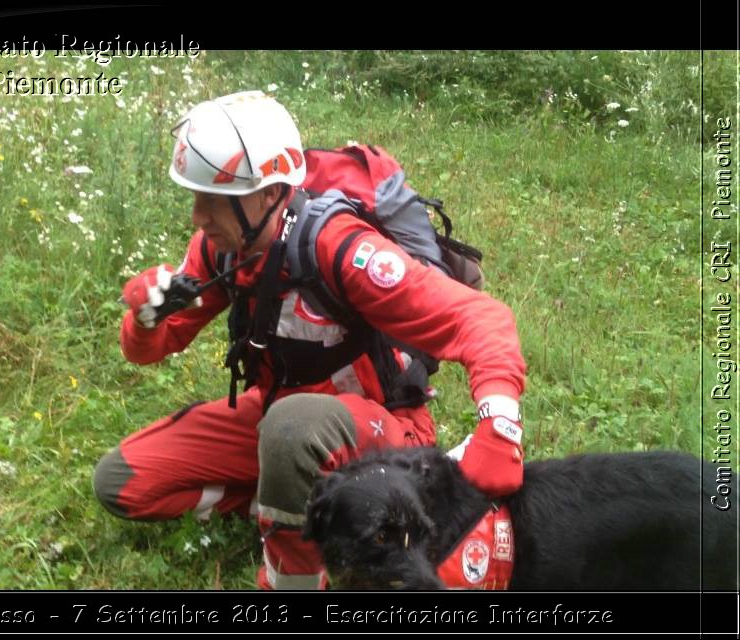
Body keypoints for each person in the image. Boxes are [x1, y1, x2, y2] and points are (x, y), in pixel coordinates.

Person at [94, 90, 526, 590]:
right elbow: (150, 349)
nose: (198, 216)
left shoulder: (341, 247)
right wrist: (143, 321)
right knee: (122, 484)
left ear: (271, 193)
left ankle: (292, 585)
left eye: (214, 200)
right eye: (196, 197)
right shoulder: (224, 249)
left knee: (290, 426)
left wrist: (500, 425)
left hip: (381, 428)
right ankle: (291, 497)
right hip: (281, 419)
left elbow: (480, 318)